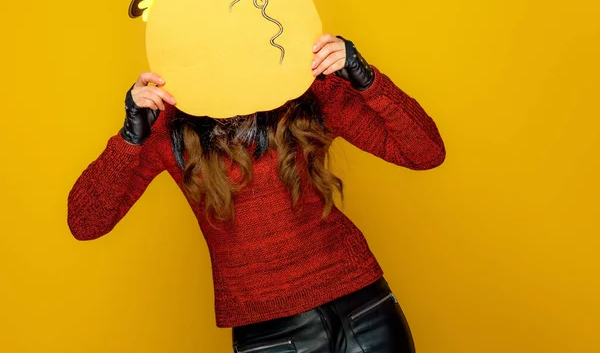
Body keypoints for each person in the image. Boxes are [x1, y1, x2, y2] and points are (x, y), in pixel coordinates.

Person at [68, 33, 445, 352]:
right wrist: (130, 138)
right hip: (272, 336)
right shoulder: (165, 124)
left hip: (363, 306)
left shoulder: (307, 90)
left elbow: (426, 152)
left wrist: (366, 78)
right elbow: (85, 222)